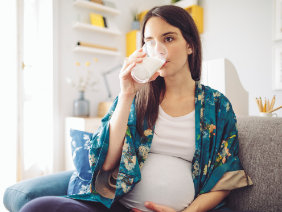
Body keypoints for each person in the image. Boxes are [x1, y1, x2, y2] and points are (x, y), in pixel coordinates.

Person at [20, 5, 252, 212]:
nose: (158, 48)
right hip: (118, 205)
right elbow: (108, 162)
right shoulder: (139, 96)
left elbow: (224, 177)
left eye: (168, 39)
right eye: (150, 41)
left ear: (190, 45)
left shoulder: (217, 105)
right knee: (37, 207)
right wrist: (127, 93)